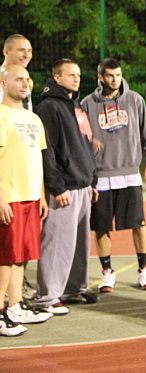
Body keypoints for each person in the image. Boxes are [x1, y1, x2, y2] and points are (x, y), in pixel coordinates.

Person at [81, 58, 146, 292]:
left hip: (130, 174)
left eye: (118, 75)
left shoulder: (135, 100)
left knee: (138, 223)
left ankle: (143, 270)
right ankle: (107, 272)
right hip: (101, 175)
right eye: (110, 76)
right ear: (100, 78)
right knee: (102, 226)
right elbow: (81, 138)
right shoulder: (87, 104)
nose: (115, 80)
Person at [35, 59, 99, 315]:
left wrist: (93, 180)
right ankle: (48, 297)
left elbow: (86, 143)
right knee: (57, 243)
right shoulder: (49, 107)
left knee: (79, 245)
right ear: (57, 78)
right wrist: (56, 186)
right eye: (70, 75)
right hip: (65, 187)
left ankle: (73, 289)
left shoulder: (76, 105)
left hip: (83, 183)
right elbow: (47, 149)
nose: (76, 79)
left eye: (78, 75)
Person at [0, 65, 53, 337]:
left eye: (27, 79)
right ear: (3, 83)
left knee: (20, 257)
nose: (24, 84)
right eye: (18, 79)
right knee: (5, 259)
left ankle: (15, 306)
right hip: (10, 197)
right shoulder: (1, 116)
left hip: (31, 197)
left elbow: (37, 160)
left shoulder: (33, 118)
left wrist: (41, 195)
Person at [1, 34, 36, 300]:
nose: (26, 55)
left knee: (18, 249)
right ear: (6, 52)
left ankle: (15, 299)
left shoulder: (23, 83)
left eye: (30, 51)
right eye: (21, 50)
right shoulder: (6, 84)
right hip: (7, 186)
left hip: (24, 186)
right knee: (6, 252)